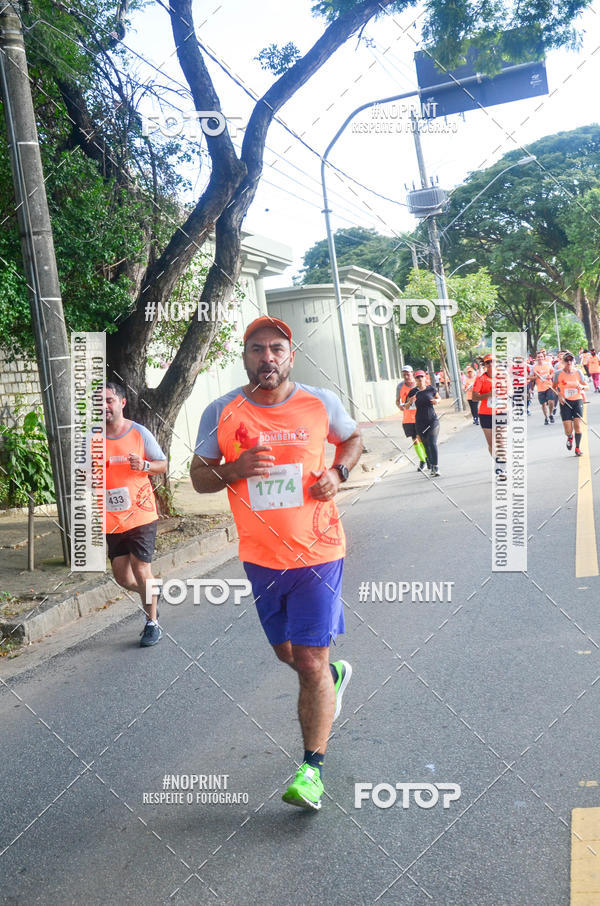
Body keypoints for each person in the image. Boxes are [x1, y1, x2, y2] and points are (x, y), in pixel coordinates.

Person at [190, 316, 362, 811]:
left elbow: (351, 439)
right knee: (287, 653)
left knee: (309, 659)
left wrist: (339, 470)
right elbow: (199, 478)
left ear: (292, 354)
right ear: (245, 356)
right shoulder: (221, 411)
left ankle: (312, 770)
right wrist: (234, 469)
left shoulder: (319, 401)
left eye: (277, 348)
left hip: (319, 551)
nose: (268, 357)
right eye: (257, 349)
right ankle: (332, 680)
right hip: (261, 559)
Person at [103, 383, 168, 647]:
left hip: (140, 514)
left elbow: (162, 465)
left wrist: (144, 465)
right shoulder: (91, 438)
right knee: (122, 577)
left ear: (121, 402)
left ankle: (152, 623)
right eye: (99, 403)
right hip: (112, 517)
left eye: (108, 400)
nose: (104, 407)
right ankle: (152, 592)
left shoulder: (139, 432)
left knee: (141, 569)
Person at [472, 354, 505, 474]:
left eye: (492, 362)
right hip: (485, 414)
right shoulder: (481, 379)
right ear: (485, 365)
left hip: (501, 412)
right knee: (492, 443)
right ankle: (497, 462)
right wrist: (489, 394)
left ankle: (502, 468)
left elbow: (511, 390)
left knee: (500, 442)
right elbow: (474, 397)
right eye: (488, 362)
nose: (490, 364)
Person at [406, 370, 441, 477]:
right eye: (417, 377)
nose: (420, 379)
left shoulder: (431, 389)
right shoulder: (413, 392)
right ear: (415, 379)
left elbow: (438, 397)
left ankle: (436, 466)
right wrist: (410, 401)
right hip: (420, 422)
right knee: (426, 445)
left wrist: (437, 401)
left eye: (421, 377)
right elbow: (406, 407)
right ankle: (430, 464)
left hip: (432, 420)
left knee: (432, 442)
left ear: (425, 378)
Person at [553, 353, 587, 456]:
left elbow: (586, 387)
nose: (569, 362)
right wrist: (559, 395)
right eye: (566, 360)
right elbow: (553, 387)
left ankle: (577, 448)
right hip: (565, 402)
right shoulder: (558, 373)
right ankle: (570, 437)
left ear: (573, 361)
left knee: (578, 426)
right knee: (568, 429)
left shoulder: (578, 372)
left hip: (577, 400)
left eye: (570, 360)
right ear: (563, 362)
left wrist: (581, 387)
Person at [396, 365, 428, 471]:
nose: (406, 376)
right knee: (415, 440)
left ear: (412, 373)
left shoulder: (418, 384)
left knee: (421, 438)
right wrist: (399, 406)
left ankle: (428, 458)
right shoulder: (400, 386)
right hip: (408, 418)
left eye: (408, 373)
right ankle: (422, 460)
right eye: (404, 373)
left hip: (420, 416)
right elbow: (397, 400)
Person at [533, 351, 556, 424]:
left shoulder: (548, 365)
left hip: (549, 385)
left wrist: (550, 376)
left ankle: (551, 414)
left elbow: (553, 372)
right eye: (538, 357)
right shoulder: (534, 367)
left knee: (551, 401)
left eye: (541, 357)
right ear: (536, 358)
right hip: (540, 388)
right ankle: (546, 417)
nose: (540, 358)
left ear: (543, 357)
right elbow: (530, 377)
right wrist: (536, 377)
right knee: (543, 404)